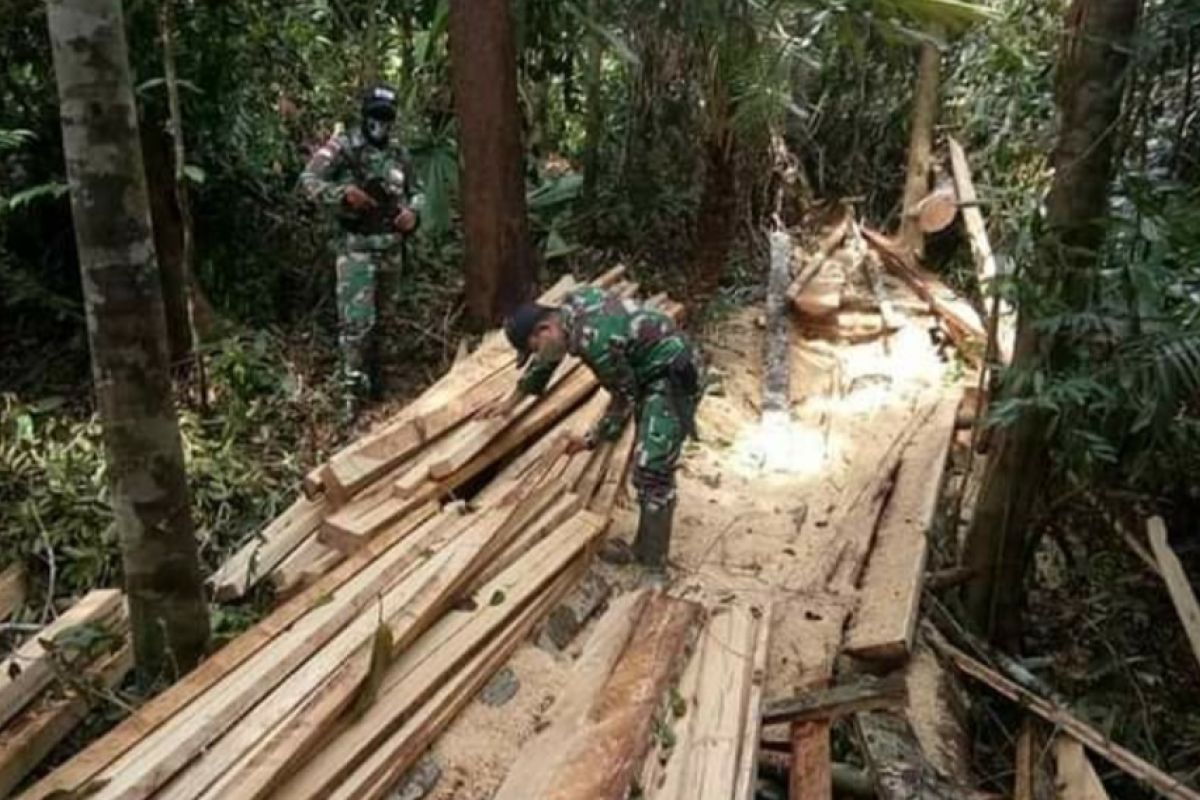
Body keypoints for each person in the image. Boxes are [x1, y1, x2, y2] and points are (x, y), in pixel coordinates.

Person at [483, 285, 704, 571]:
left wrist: (590, 440)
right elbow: (547, 360)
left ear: (545, 329)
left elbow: (623, 400)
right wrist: (510, 403)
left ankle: (654, 569)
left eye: (534, 347)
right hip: (649, 369)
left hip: (672, 375)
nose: (538, 354)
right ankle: (641, 549)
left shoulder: (598, 344)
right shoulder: (570, 307)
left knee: (652, 468)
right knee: (648, 459)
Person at [300, 84, 421, 420]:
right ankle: (351, 396)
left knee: (385, 320)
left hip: (391, 249)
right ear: (364, 114)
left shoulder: (400, 154)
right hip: (356, 250)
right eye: (375, 115)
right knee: (356, 324)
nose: (380, 123)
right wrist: (343, 194)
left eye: (386, 116)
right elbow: (309, 180)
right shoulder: (343, 147)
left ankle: (378, 385)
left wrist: (413, 213)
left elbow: (418, 193)